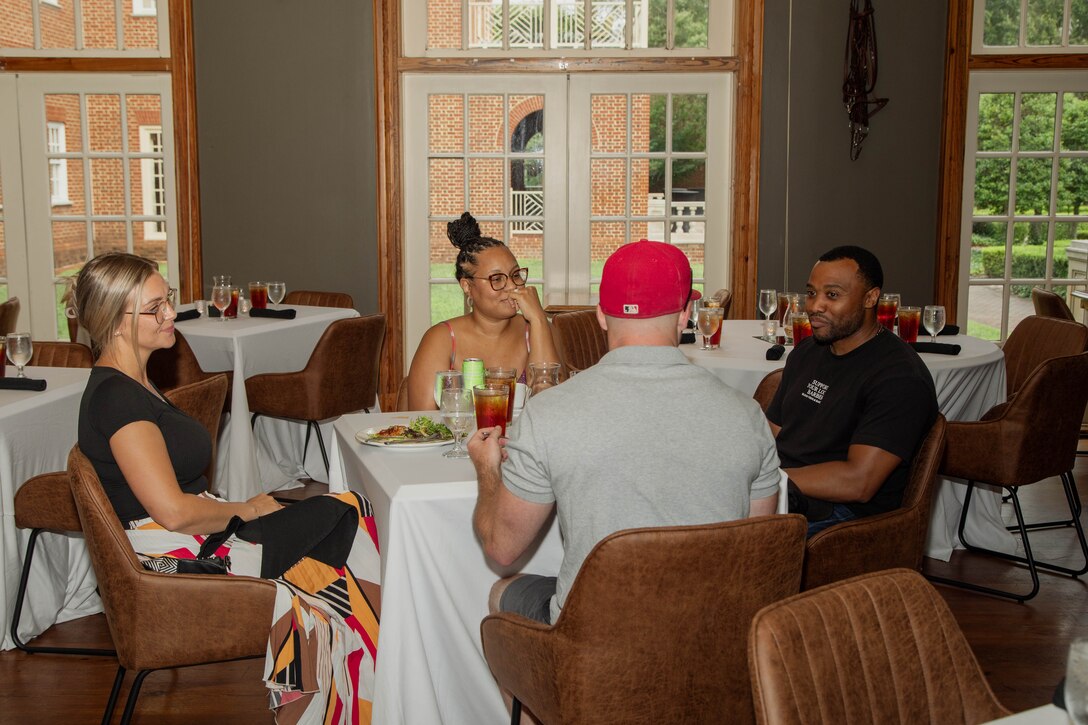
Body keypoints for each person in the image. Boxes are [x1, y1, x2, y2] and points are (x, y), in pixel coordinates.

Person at [73, 252, 380, 724]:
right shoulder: (118, 399)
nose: (171, 314)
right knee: (350, 510)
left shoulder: (134, 382)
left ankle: (348, 693)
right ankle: (367, 687)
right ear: (116, 321)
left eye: (168, 300)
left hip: (196, 535)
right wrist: (247, 510)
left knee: (327, 535)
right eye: (155, 308)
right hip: (184, 553)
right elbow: (172, 512)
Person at [468, 240, 781, 625]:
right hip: (712, 637)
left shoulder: (547, 414)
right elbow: (756, 555)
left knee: (503, 591)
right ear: (685, 316)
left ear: (601, 315)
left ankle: (545, 687)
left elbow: (502, 548)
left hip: (594, 643)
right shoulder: (749, 416)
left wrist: (487, 470)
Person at [766, 245, 938, 536]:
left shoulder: (899, 377)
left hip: (845, 517)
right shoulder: (808, 351)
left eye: (832, 295)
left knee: (717, 540)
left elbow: (858, 483)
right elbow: (771, 432)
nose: (814, 306)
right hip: (787, 491)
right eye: (811, 293)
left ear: (871, 297)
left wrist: (769, 479)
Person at [406, 211, 560, 410]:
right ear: (467, 286)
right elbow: (424, 423)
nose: (512, 286)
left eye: (515, 275)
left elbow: (553, 409)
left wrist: (538, 320)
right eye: (496, 279)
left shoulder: (539, 331)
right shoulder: (441, 339)